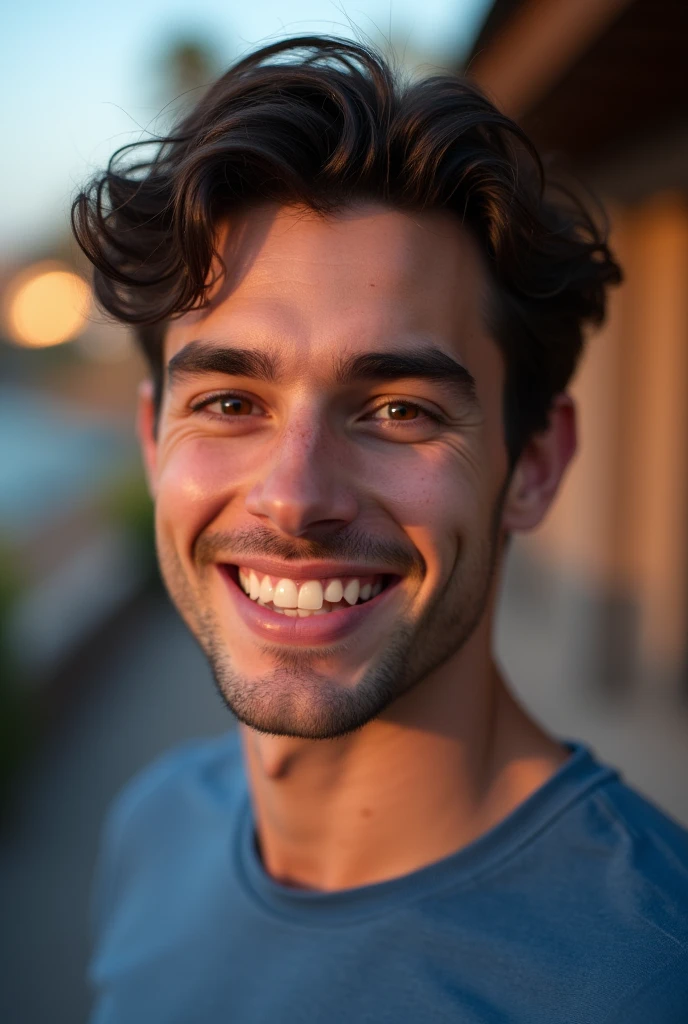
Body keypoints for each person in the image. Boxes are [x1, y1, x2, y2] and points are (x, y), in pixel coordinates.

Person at [72, 36, 688, 1023]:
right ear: (153, 440)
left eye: (400, 409)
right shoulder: (153, 827)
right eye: (230, 401)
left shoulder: (650, 975)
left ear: (533, 463)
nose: (294, 496)